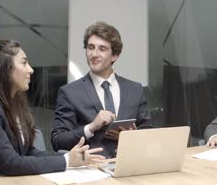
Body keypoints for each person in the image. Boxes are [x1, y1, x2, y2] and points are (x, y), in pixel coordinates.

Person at [0, 40, 105, 181]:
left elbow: (28, 152)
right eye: (24, 63)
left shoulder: (15, 103)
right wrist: (66, 160)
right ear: (5, 70)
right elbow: (10, 163)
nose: (31, 70)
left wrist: (72, 157)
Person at [51, 22, 152, 157]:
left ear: (114, 55)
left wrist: (131, 138)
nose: (94, 54)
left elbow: (149, 134)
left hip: (130, 165)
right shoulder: (69, 93)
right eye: (90, 47)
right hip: (91, 169)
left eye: (102, 49)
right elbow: (58, 141)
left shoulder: (135, 90)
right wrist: (91, 127)